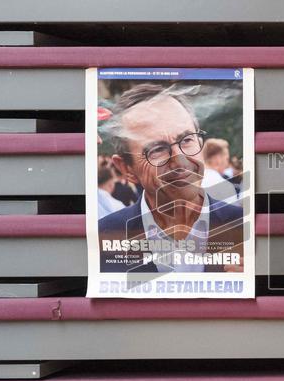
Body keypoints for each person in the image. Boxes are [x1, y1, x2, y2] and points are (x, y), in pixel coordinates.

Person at [98, 83, 243, 274]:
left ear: (200, 143)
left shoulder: (246, 227)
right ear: (126, 168)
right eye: (157, 149)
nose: (180, 162)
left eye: (187, 140)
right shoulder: (103, 237)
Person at [200, 137, 240, 203]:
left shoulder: (191, 183)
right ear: (218, 159)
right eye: (226, 159)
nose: (227, 164)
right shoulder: (226, 187)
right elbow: (234, 212)